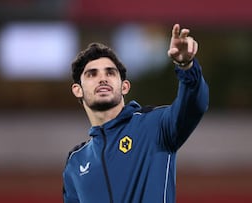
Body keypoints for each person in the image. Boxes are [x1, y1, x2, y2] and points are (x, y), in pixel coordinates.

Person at [62, 24, 209, 203]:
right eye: (92, 74)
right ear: (78, 90)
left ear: (124, 86)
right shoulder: (76, 162)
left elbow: (195, 105)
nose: (102, 78)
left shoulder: (153, 125)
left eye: (110, 73)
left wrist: (187, 66)